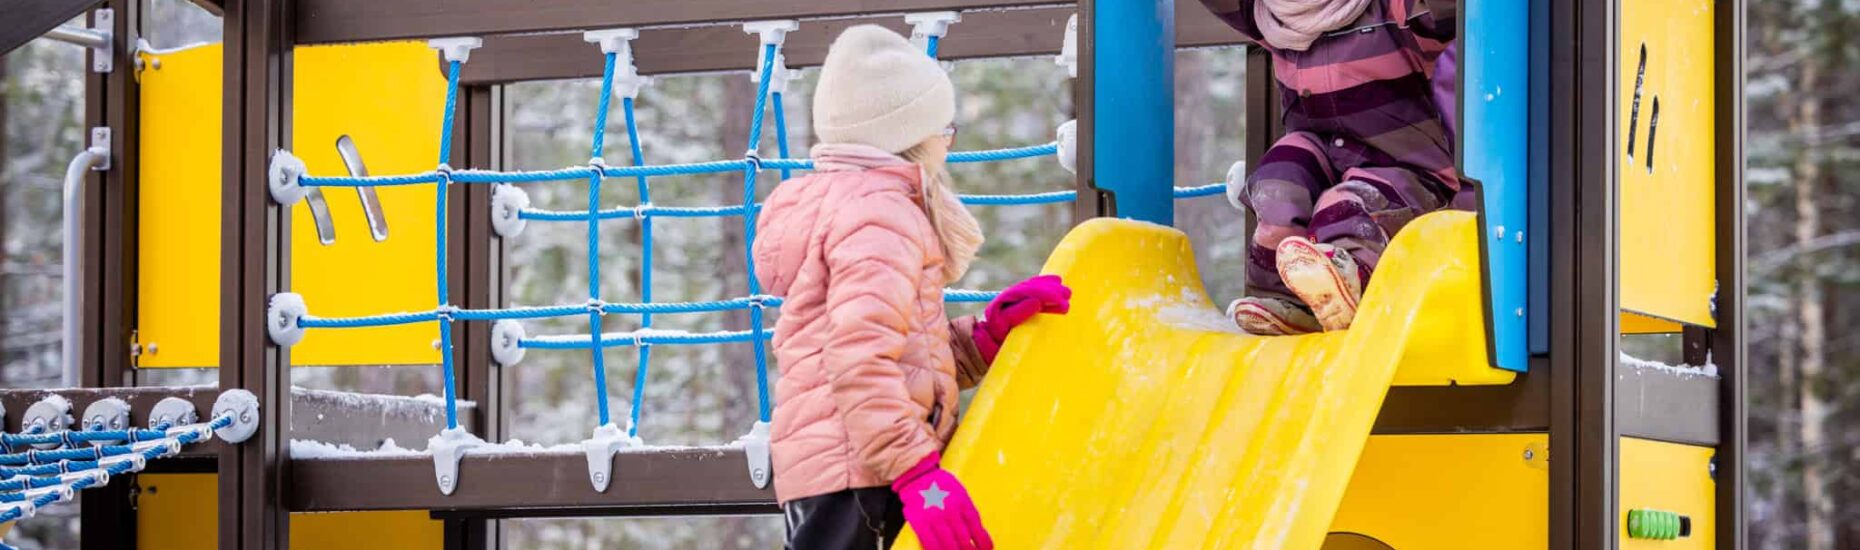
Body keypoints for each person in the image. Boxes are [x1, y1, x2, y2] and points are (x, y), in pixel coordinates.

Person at [751, 24, 1070, 550]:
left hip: (844, 467)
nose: (949, 140)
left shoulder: (844, 203)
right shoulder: (880, 215)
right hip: (866, 473)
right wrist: (915, 471)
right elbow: (859, 359)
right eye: (945, 127)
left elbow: (889, 350)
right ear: (909, 133)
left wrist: (983, 337)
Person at [1202, 0, 1469, 335]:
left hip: (1401, 168)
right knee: (1279, 181)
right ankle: (1286, 297)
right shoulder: (1278, 17)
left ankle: (1348, 280)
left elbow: (1445, 11)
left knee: (1345, 204)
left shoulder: (1393, 10)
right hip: (1324, 156)